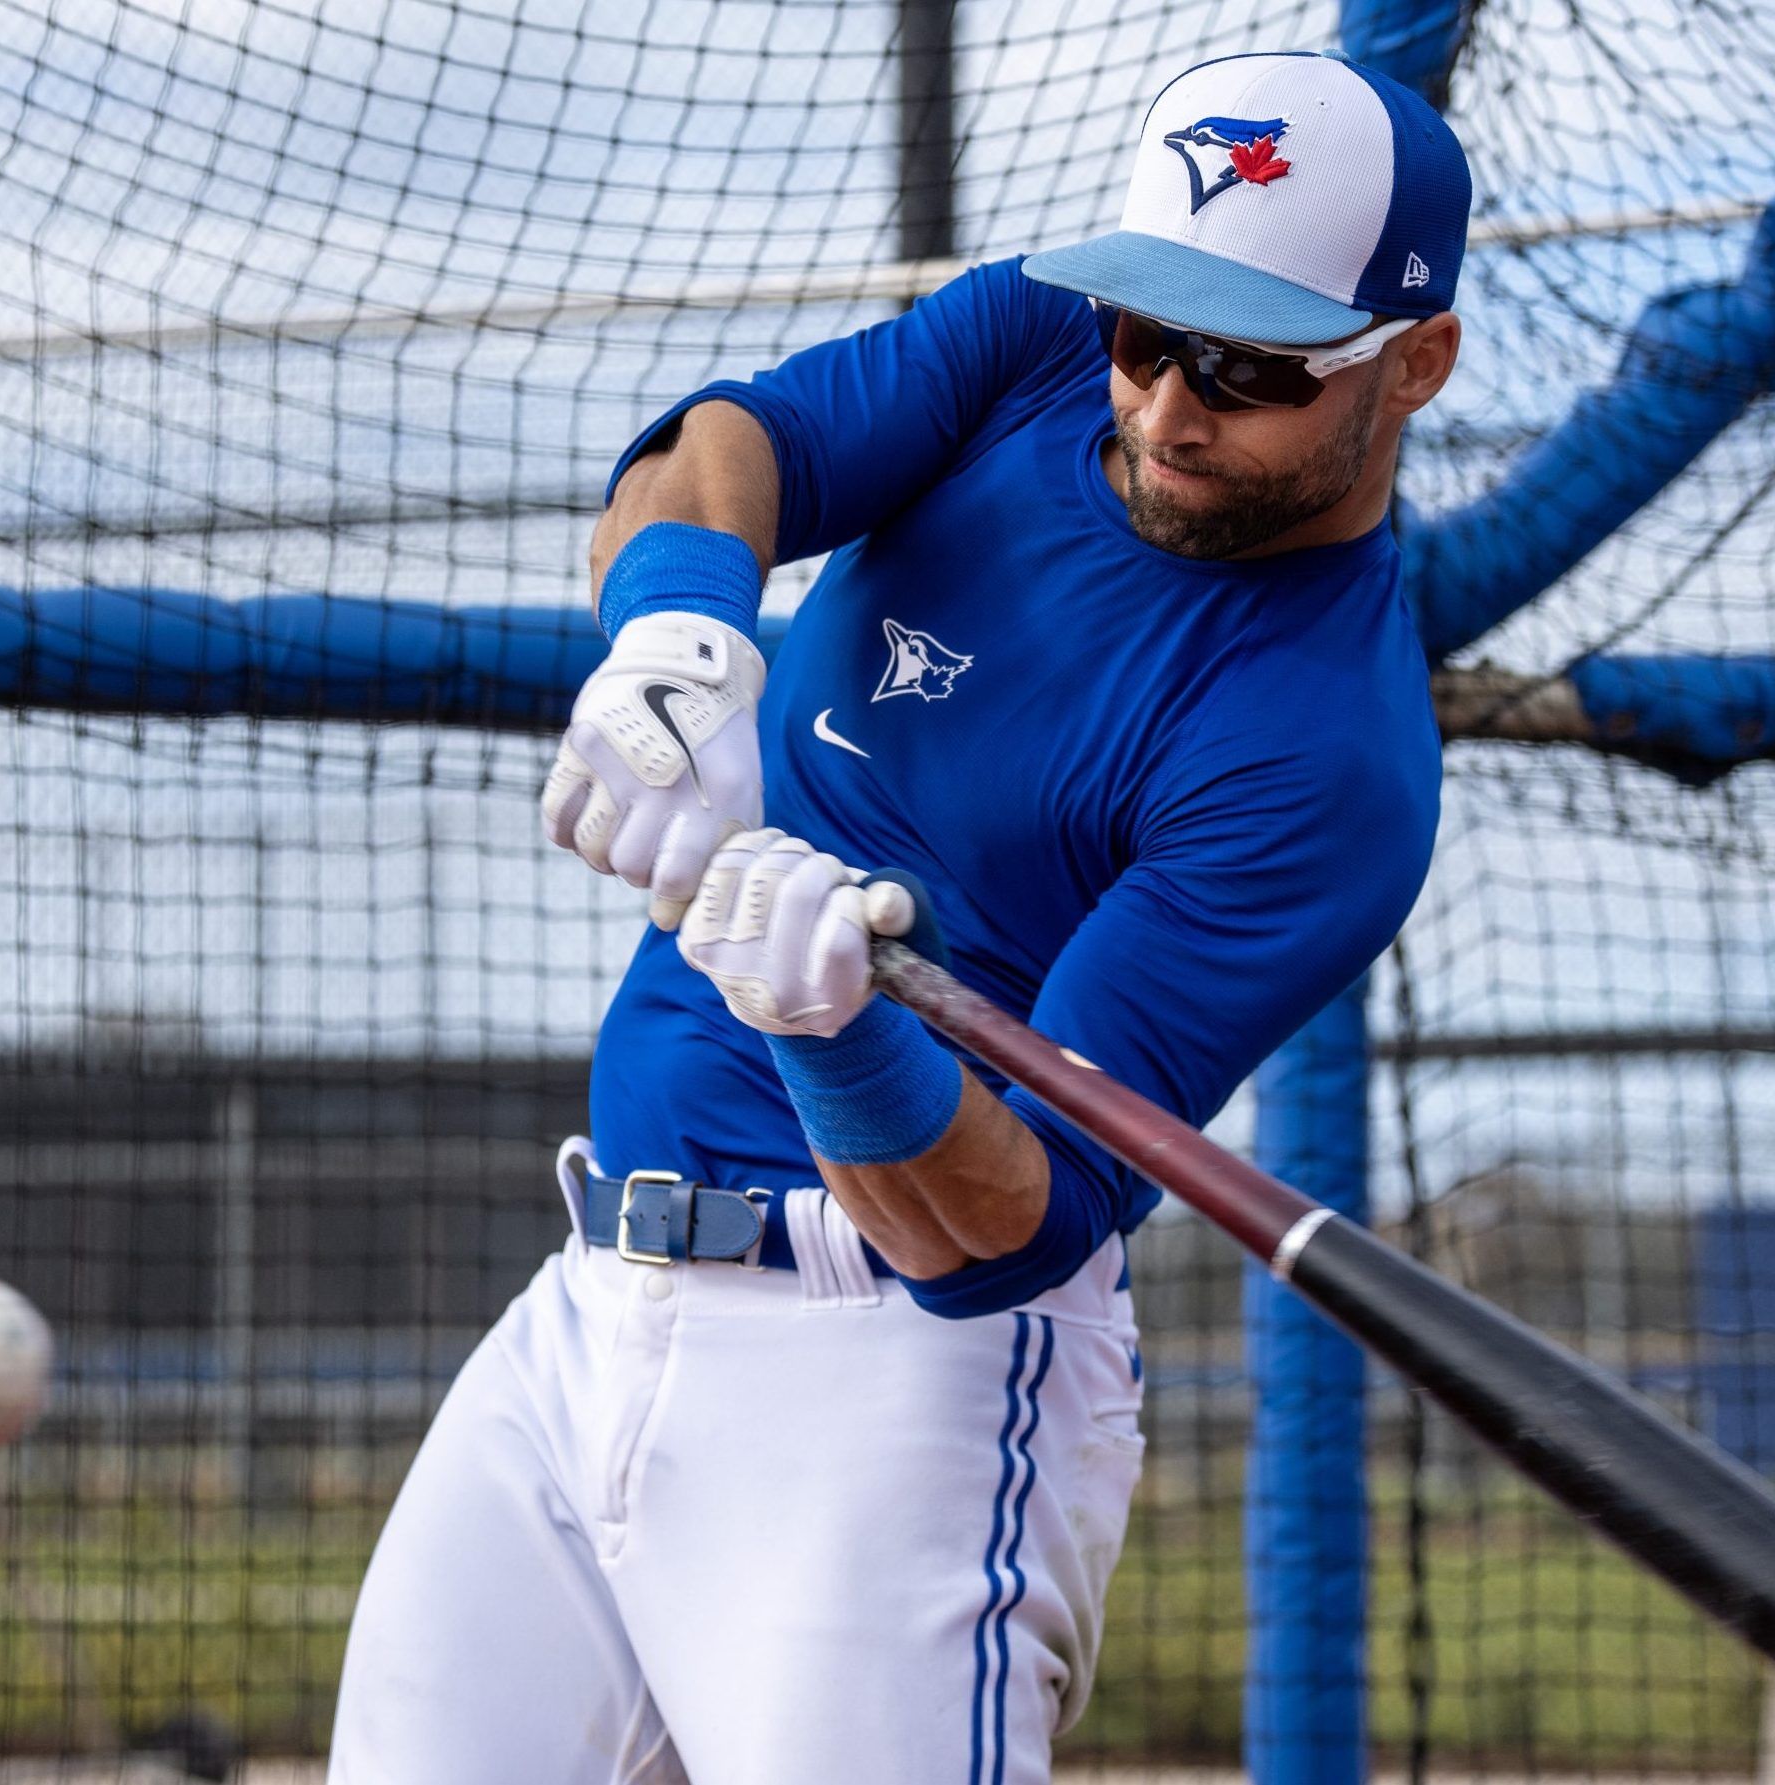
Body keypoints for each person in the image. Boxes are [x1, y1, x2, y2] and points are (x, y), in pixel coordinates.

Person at [331, 48, 1468, 1785]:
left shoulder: (1323, 757)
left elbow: (1006, 1228)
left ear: (1418, 365)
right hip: (591, 1304)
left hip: (895, 1395)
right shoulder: (1034, 339)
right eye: (1151, 333)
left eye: (1251, 368)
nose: (1166, 402)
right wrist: (684, 631)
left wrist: (837, 1034)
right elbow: (723, 449)